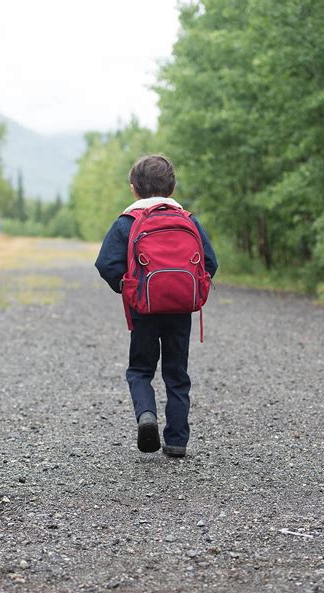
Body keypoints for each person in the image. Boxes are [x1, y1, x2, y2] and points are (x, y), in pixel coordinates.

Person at [95, 154, 218, 457]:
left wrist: (127, 288)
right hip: (180, 311)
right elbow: (210, 262)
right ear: (172, 188)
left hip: (144, 310)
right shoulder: (187, 220)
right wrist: (186, 290)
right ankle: (176, 441)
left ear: (134, 189)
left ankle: (146, 415)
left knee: (140, 370)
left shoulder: (128, 222)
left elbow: (105, 263)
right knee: (177, 374)